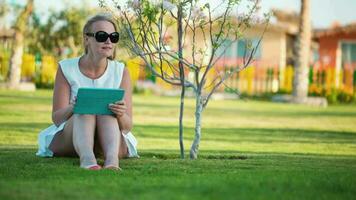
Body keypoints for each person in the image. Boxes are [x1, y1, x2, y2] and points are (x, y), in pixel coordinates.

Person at [36, 14, 138, 170]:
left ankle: (112, 162)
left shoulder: (121, 71)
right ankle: (87, 159)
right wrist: (75, 106)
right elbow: (57, 119)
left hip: (110, 139)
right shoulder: (66, 68)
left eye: (113, 36)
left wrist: (120, 113)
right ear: (86, 39)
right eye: (102, 35)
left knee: (107, 111)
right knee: (85, 110)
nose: (108, 41)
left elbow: (127, 126)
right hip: (72, 136)